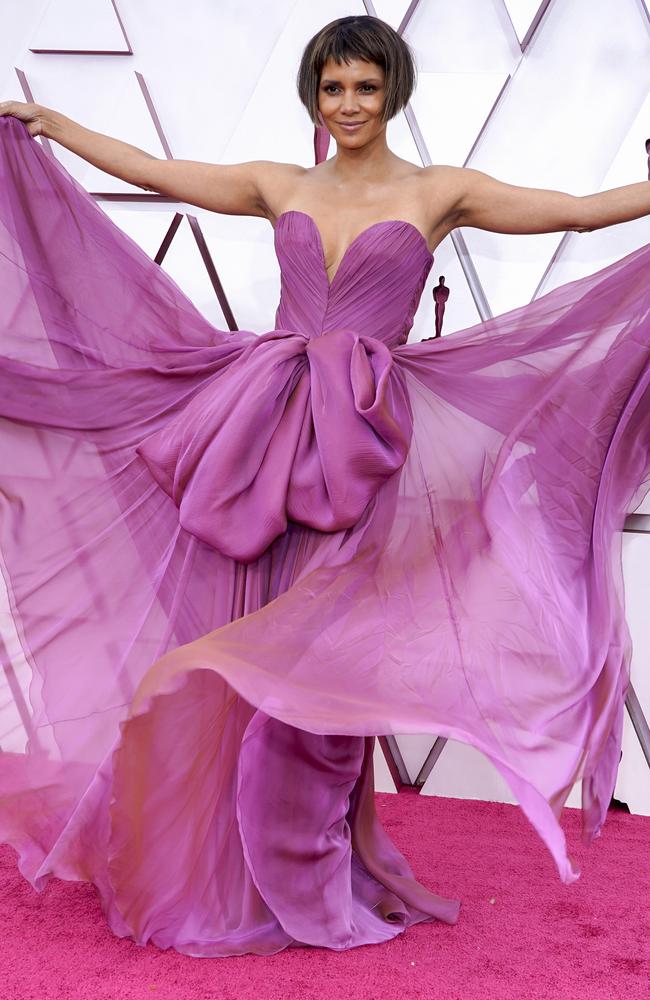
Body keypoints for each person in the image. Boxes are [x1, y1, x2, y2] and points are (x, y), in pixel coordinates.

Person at [0, 14, 648, 959]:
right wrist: (54, 125)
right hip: (262, 429)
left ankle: (305, 858)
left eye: (366, 88)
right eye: (334, 88)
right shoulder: (282, 183)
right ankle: (218, 869)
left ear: (393, 94)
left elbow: (579, 211)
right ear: (314, 93)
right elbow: (153, 172)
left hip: (362, 449)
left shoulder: (441, 191)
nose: (349, 105)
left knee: (325, 646)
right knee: (239, 626)